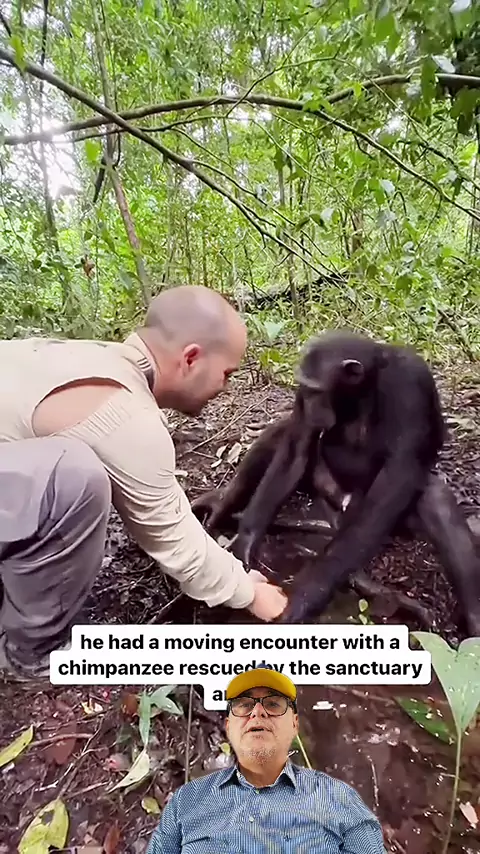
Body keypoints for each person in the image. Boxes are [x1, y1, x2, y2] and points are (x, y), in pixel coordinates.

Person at [0, 285, 287, 680]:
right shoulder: (124, 414)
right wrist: (250, 593)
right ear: (191, 358)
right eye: (226, 374)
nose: (225, 388)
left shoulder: (85, 356)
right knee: (71, 478)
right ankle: (33, 655)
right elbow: (172, 537)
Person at [146, 666, 387, 853]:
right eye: (244, 705)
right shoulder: (187, 802)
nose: (257, 712)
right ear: (228, 726)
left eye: (273, 705)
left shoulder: (338, 799)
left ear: (294, 725)